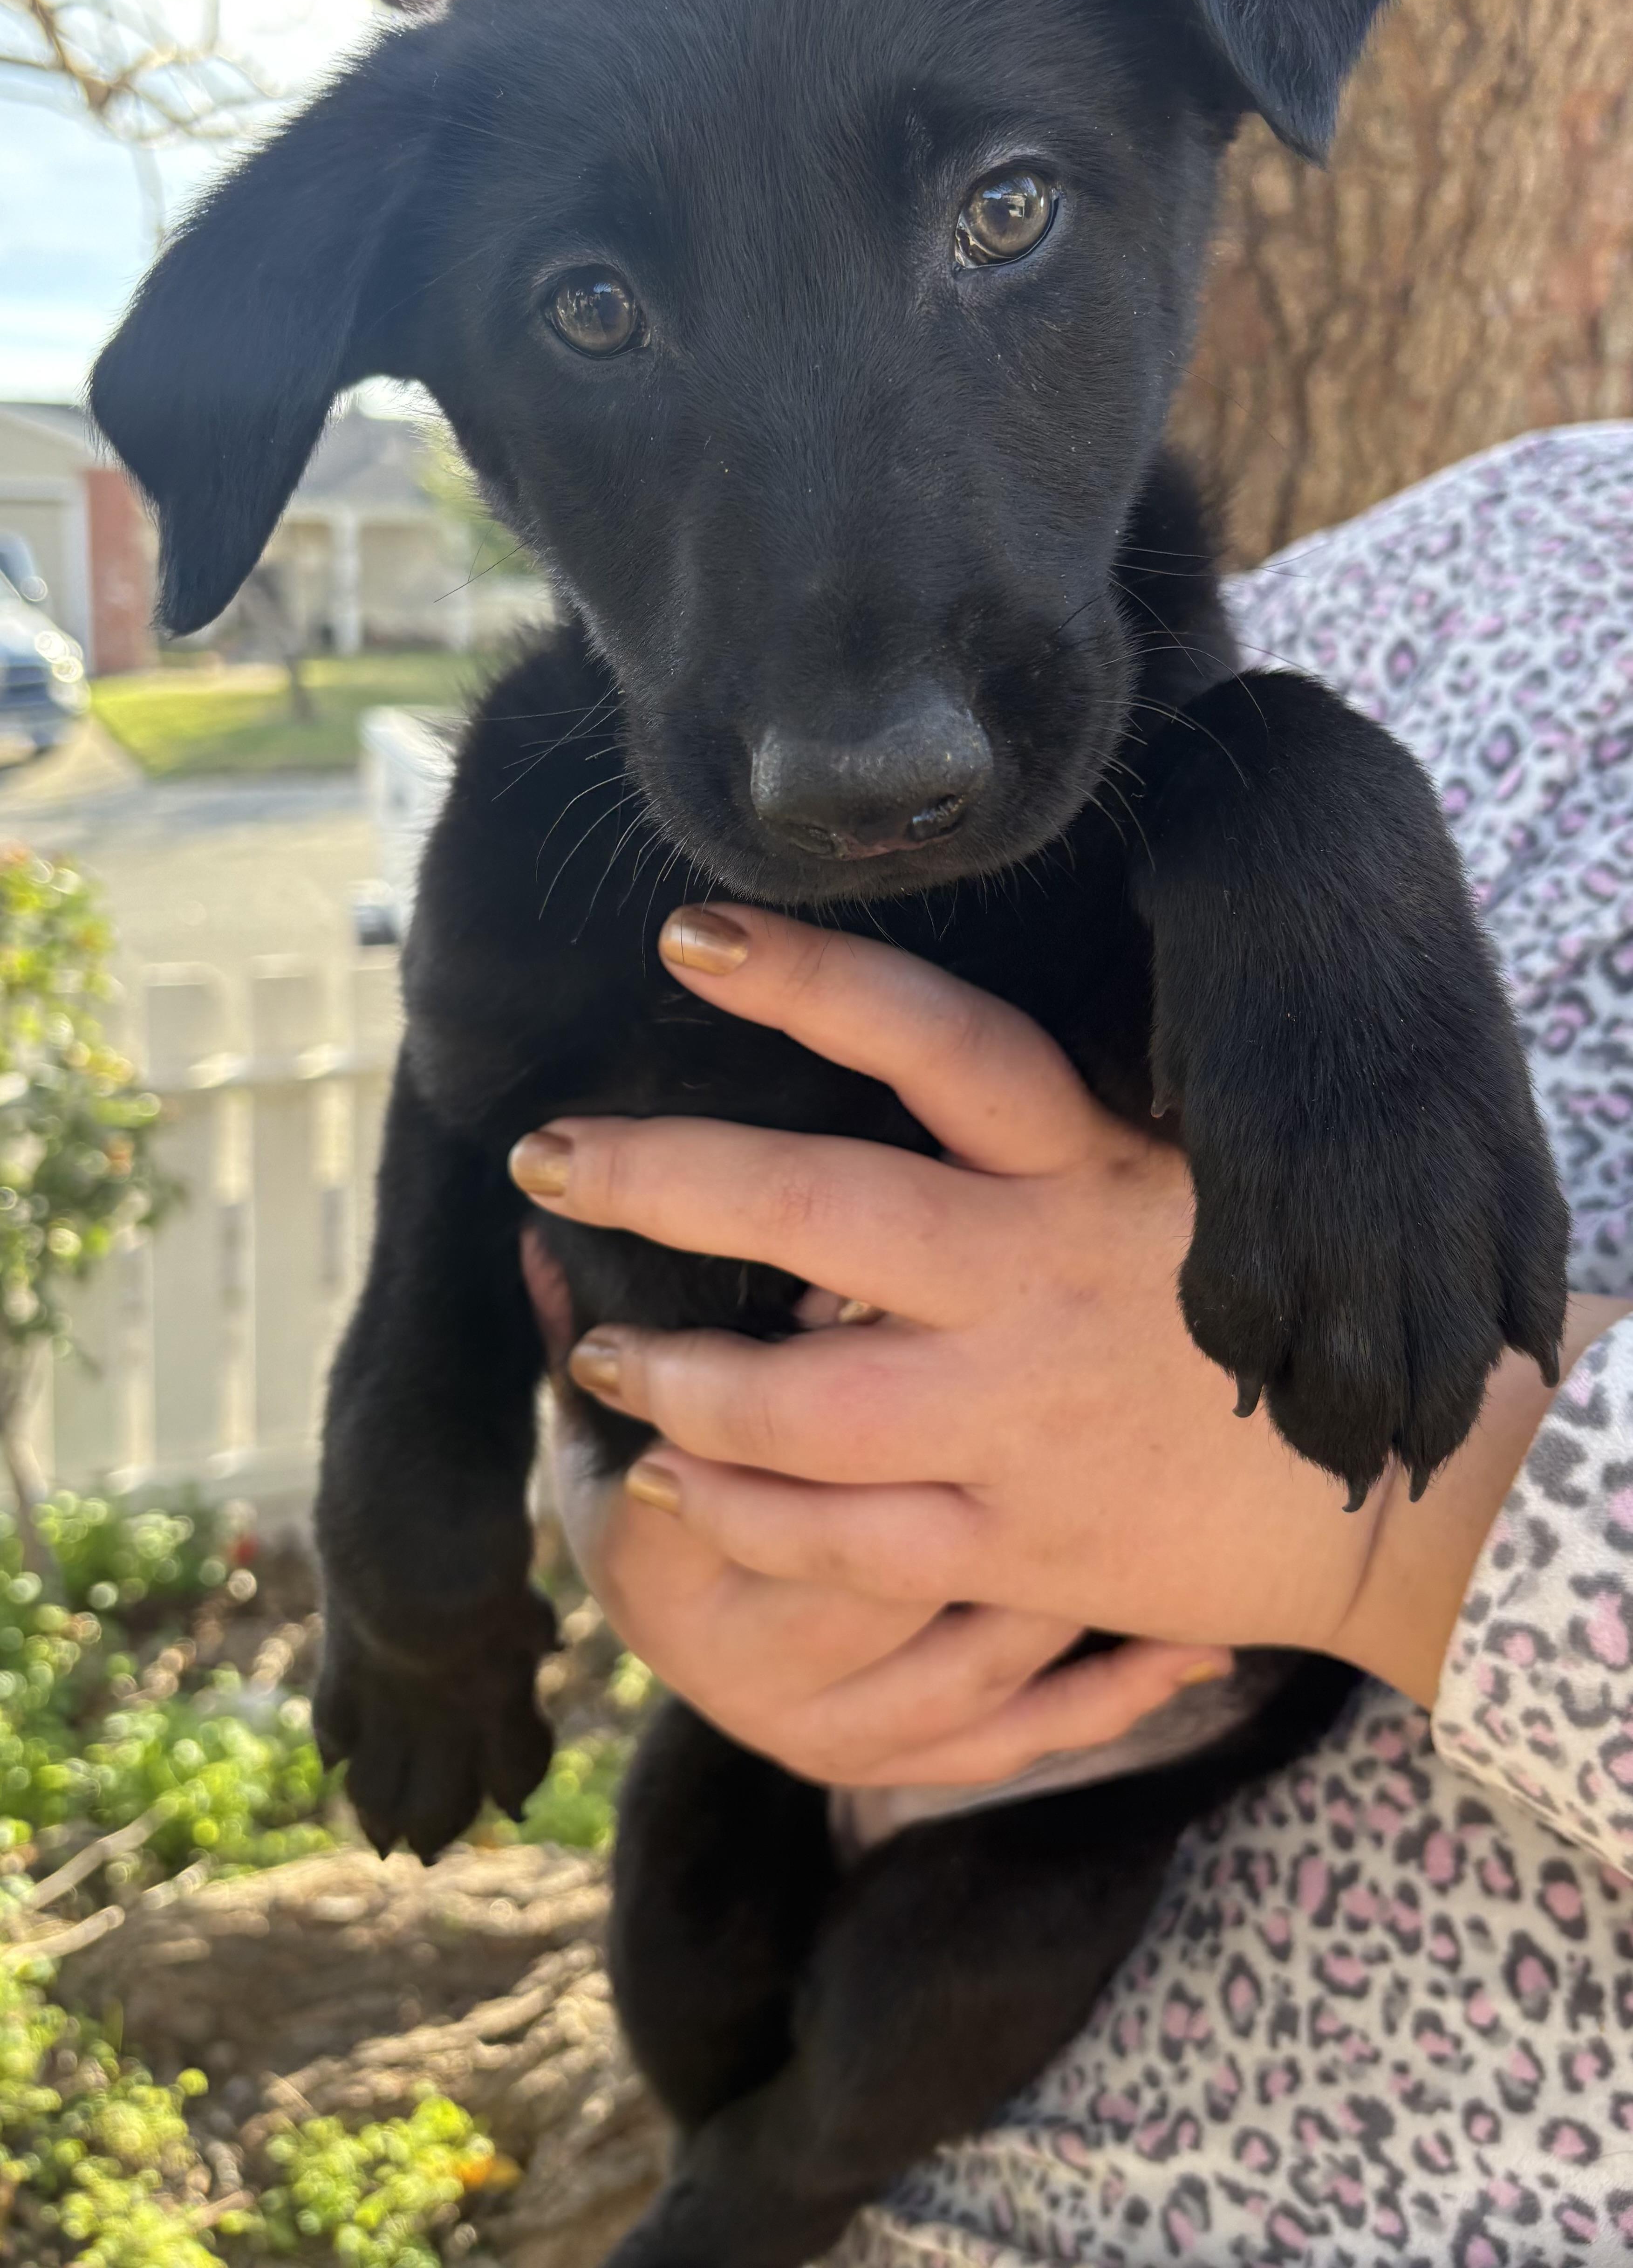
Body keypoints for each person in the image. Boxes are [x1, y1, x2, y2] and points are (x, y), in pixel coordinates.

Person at [511, 424, 1633, 2264]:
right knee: (692, 1965)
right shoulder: (1520, 532)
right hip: (885, 2097)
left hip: (1331, 2164)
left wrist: (1398, 1528)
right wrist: (659, 1474)